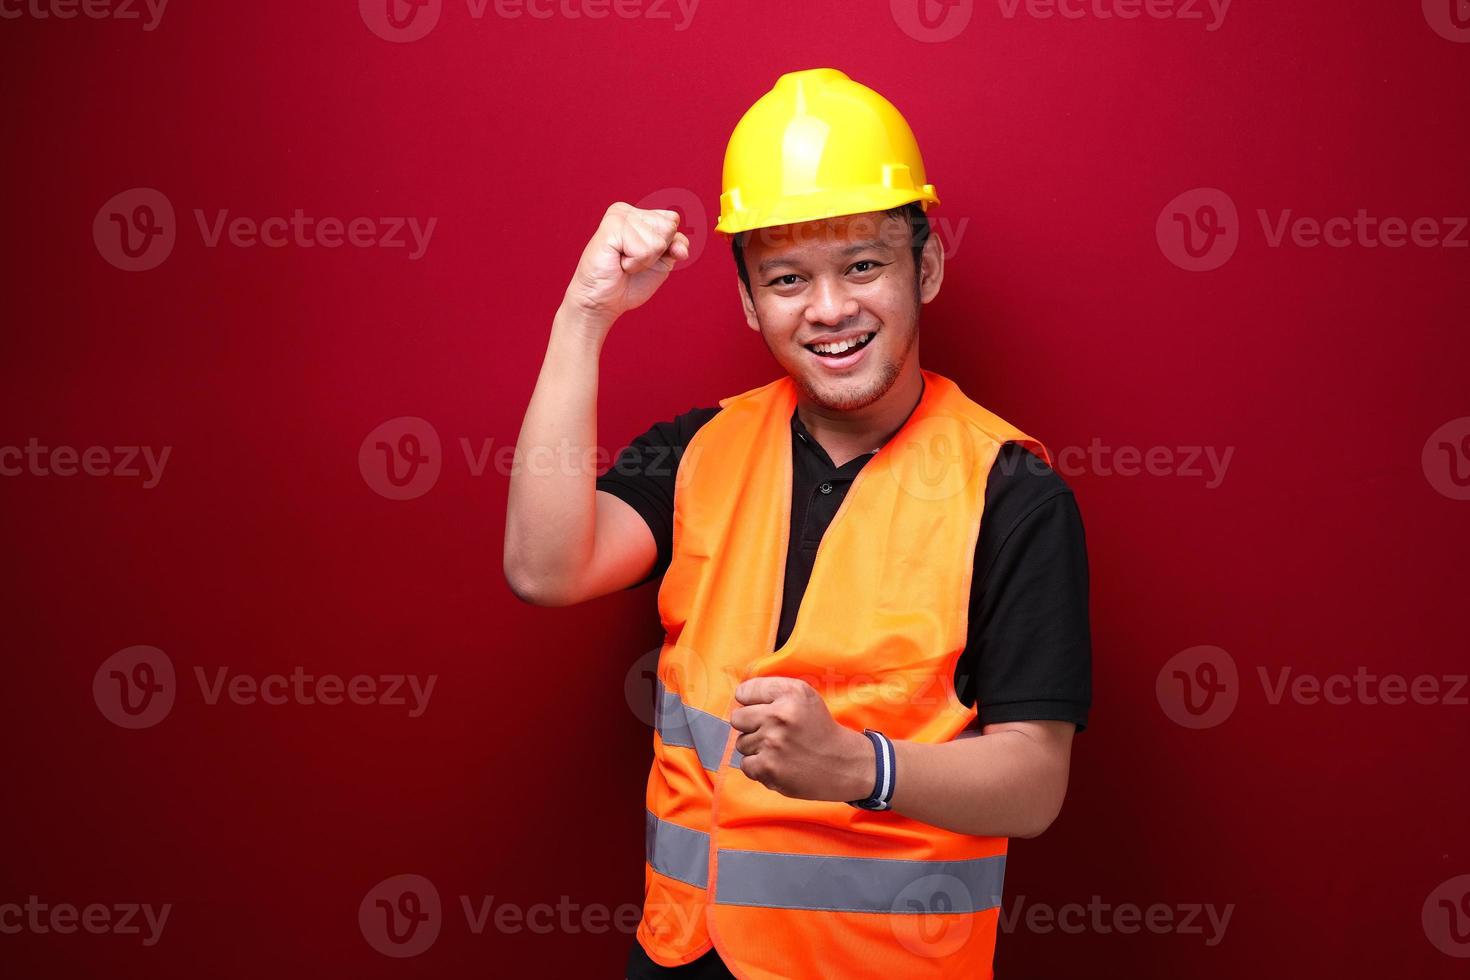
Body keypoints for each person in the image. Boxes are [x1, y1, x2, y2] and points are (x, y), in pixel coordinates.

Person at [504, 67, 1091, 980]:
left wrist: (863, 767)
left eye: (863, 264)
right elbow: (545, 568)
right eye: (788, 278)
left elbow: (1034, 784)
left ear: (924, 268)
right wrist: (584, 317)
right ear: (748, 301)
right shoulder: (702, 447)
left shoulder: (1012, 493)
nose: (829, 309)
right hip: (679, 959)